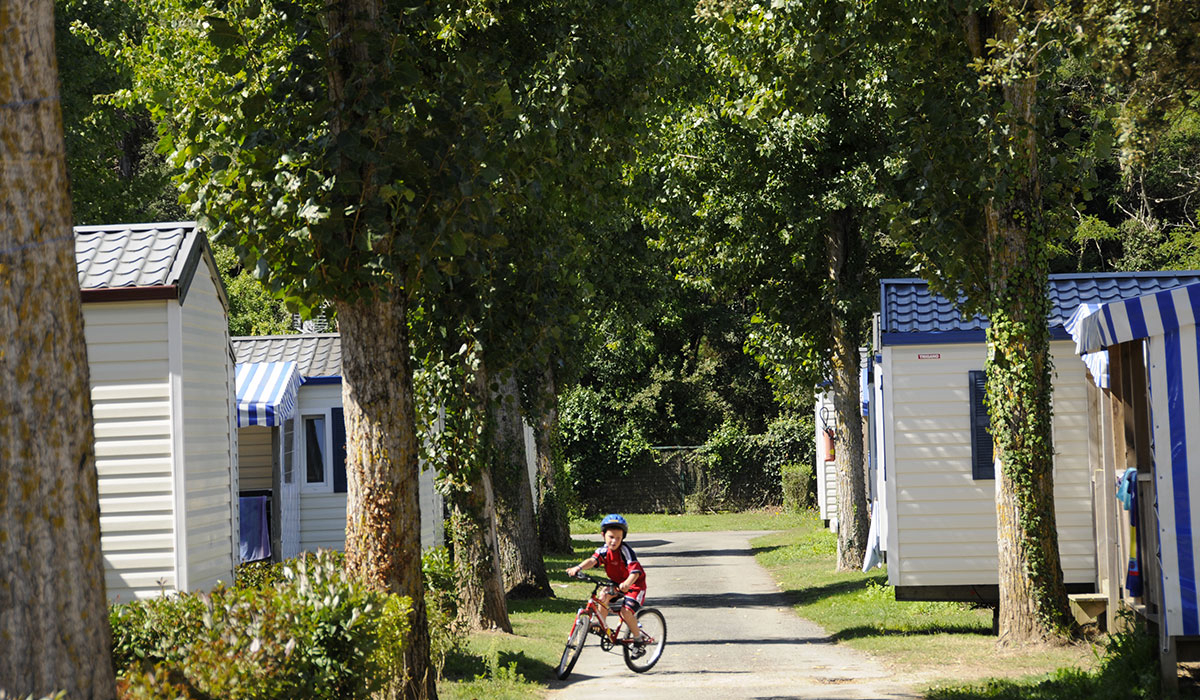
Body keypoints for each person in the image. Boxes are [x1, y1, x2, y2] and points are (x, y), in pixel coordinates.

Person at [566, 513, 647, 641]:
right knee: (603, 595)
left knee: (625, 612)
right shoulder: (603, 551)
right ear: (603, 535)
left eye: (618, 538)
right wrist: (578, 568)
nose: (614, 541)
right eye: (611, 537)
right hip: (616, 583)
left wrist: (627, 584)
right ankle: (601, 625)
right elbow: (592, 561)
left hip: (634, 585)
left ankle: (638, 638)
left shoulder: (625, 551)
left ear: (622, 538)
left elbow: (635, 572)